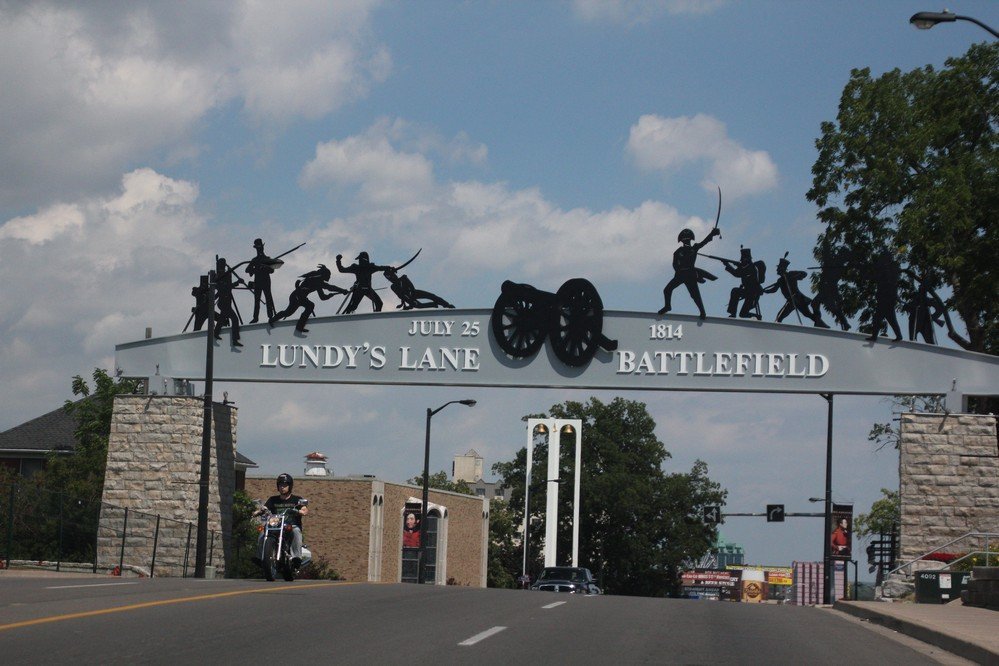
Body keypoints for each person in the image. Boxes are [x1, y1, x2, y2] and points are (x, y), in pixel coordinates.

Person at [658, 227, 720, 320]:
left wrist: (712, 234)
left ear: (691, 239)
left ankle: (702, 312)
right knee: (667, 290)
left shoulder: (694, 248)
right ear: (682, 241)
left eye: (688, 239)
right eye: (684, 240)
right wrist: (678, 272)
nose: (686, 241)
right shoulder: (678, 252)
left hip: (690, 274)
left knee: (695, 295)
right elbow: (674, 264)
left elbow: (704, 242)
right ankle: (667, 306)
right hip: (680, 274)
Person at [270, 264, 348, 333]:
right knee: (289, 312)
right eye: (329, 275)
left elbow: (330, 288)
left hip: (300, 296)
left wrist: (341, 291)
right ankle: (274, 320)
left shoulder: (318, 280)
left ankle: (298, 326)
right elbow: (323, 296)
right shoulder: (317, 281)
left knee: (306, 307)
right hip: (297, 296)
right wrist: (333, 294)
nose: (329, 277)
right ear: (324, 275)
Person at [255, 473, 309, 568]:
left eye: (284, 485)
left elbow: (304, 509)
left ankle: (296, 558)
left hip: (291, 525)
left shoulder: (297, 499)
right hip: (276, 525)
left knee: (296, 532)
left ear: (290, 486)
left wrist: (301, 511)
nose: (282, 487)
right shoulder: (273, 499)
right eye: (280, 485)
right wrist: (258, 511)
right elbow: (265, 508)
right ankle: (261, 558)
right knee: (262, 532)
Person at [245, 238, 277, 324]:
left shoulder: (267, 259)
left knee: (268, 298)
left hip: (266, 281)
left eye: (260, 247)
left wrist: (265, 267)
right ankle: (255, 318)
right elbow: (247, 270)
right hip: (258, 281)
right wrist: (256, 269)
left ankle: (270, 316)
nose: (259, 249)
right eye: (258, 247)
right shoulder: (255, 260)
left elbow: (272, 271)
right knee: (257, 300)